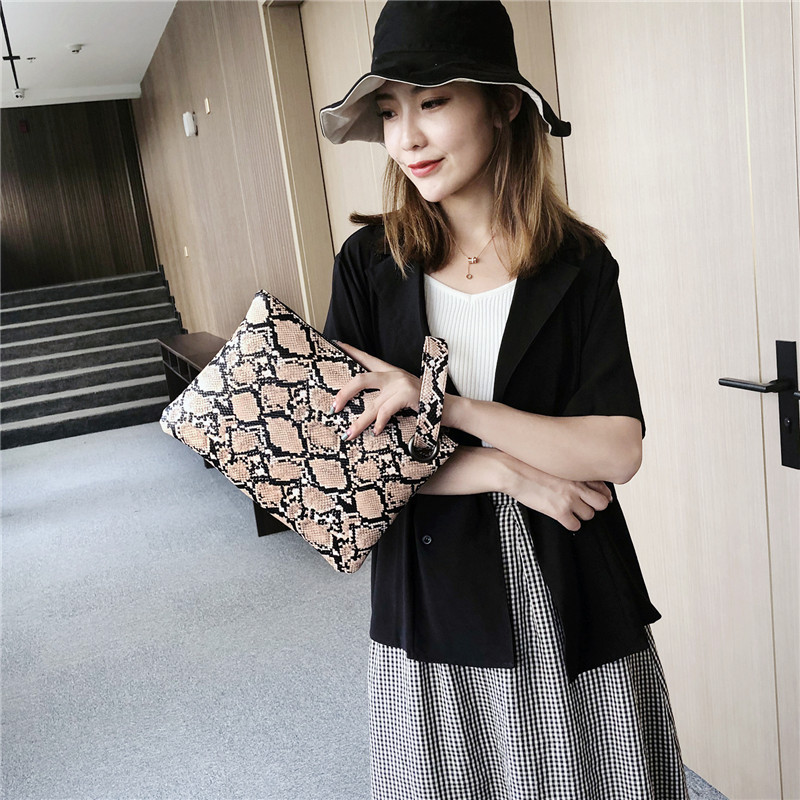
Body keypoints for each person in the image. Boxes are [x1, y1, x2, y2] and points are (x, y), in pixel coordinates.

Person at [319, 2, 689, 798]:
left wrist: (446, 408)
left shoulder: (579, 265)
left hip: (570, 585)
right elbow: (350, 456)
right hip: (432, 597)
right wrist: (506, 471)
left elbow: (615, 450)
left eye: (432, 102)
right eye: (390, 112)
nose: (407, 138)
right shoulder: (369, 266)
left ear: (503, 105)